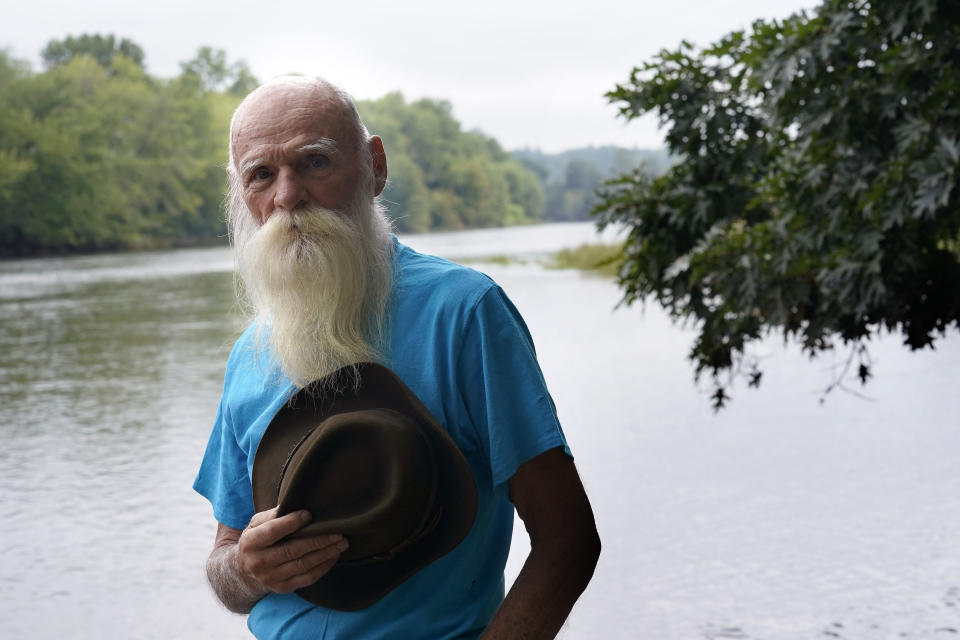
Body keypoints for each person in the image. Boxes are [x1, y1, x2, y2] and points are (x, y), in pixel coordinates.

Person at [194, 76, 600, 639]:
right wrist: (246, 568)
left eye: (315, 162)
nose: (288, 195)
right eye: (261, 174)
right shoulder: (251, 354)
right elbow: (225, 562)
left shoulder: (463, 312)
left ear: (374, 167)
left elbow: (568, 542)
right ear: (243, 195)